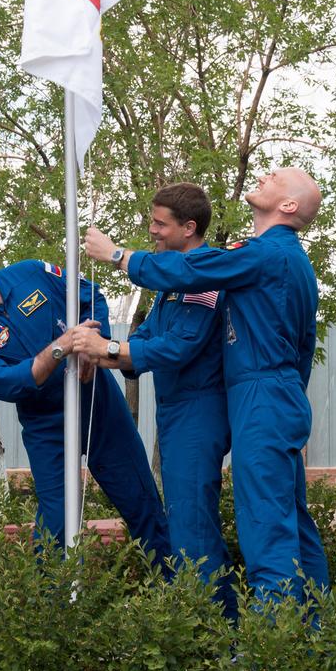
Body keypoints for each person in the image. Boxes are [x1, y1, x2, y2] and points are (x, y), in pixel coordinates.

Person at [83, 168, 329, 601]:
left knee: (265, 529)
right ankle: (315, 636)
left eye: (275, 177)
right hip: (273, 392)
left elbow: (192, 278)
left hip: (262, 394)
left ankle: (276, 655)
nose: (265, 176)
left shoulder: (265, 254)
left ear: (288, 206)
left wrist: (119, 256)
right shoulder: (280, 258)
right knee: (287, 520)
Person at [0, 223, 170, 563]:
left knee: (143, 505)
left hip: (98, 406)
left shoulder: (32, 273)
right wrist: (60, 347)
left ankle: (176, 594)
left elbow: (91, 296)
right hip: (47, 427)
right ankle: (54, 609)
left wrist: (93, 346)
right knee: (56, 524)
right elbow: (10, 382)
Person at [70, 183, 236, 617]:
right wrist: (100, 348)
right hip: (178, 412)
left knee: (193, 530)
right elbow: (145, 337)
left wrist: (105, 350)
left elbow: (178, 346)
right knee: (184, 524)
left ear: (189, 227)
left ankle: (220, 636)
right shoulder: (172, 281)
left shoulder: (202, 277)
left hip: (199, 411)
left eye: (161, 224)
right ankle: (210, 629)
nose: (153, 231)